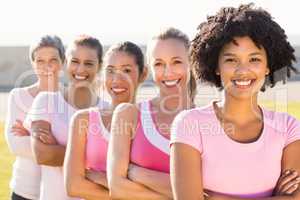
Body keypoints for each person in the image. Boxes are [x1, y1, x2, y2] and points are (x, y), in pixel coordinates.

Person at [170, 3, 300, 200]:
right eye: (231, 60)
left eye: (254, 59)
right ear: (217, 66)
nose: (242, 70)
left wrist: (217, 198)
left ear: (267, 66)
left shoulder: (289, 127)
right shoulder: (189, 124)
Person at [107, 27, 196, 199]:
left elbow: (209, 193)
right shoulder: (128, 115)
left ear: (191, 63)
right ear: (151, 69)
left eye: (176, 62)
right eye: (159, 64)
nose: (168, 72)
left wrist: (137, 174)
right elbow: (117, 188)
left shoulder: (207, 119)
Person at [25, 35, 107, 200]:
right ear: (66, 63)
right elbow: (43, 155)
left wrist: (59, 149)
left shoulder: (108, 110)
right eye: (75, 61)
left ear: (99, 66)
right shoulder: (46, 101)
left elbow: (114, 165)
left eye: (89, 63)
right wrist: (94, 157)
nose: (80, 70)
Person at [64, 41, 147, 200]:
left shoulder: (152, 122)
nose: (116, 79)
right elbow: (73, 186)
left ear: (143, 74)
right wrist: (133, 191)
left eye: (126, 70)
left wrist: (104, 180)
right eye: (110, 71)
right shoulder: (83, 120)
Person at [5, 35, 65, 200]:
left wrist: (31, 134)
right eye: (40, 61)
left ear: (62, 62)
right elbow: (16, 145)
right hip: (24, 191)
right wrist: (57, 143)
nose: (47, 66)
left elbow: (81, 150)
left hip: (60, 193)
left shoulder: (71, 100)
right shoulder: (18, 96)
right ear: (33, 64)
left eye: (53, 59)